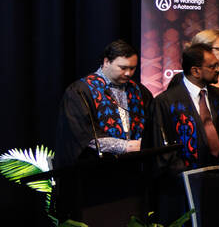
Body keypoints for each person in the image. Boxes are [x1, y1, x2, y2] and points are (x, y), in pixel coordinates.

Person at [149, 43, 219, 222]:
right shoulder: (165, 102)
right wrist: (184, 173)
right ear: (195, 71)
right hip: (183, 187)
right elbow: (160, 150)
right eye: (212, 66)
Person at [56, 39, 154, 167]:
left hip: (135, 167)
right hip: (96, 169)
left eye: (132, 68)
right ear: (106, 62)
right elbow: (82, 135)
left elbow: (152, 123)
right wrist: (125, 146)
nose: (128, 73)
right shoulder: (80, 91)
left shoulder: (139, 91)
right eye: (123, 68)